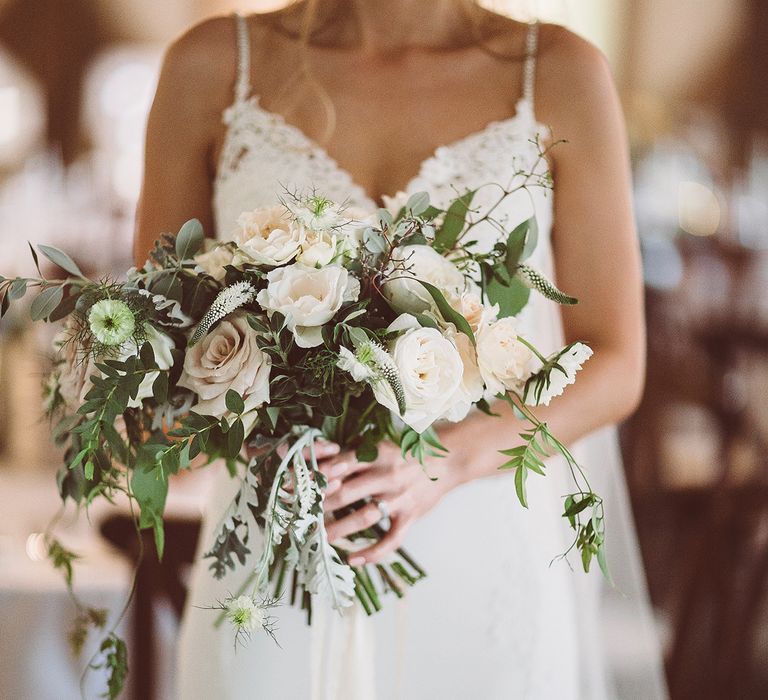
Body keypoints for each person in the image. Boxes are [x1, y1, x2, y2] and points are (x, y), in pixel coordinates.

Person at [134, 2, 668, 698]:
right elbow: (156, 358)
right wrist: (191, 414)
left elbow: (617, 362)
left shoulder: (562, 74)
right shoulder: (209, 65)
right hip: (274, 567)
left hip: (483, 553)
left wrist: (449, 461)